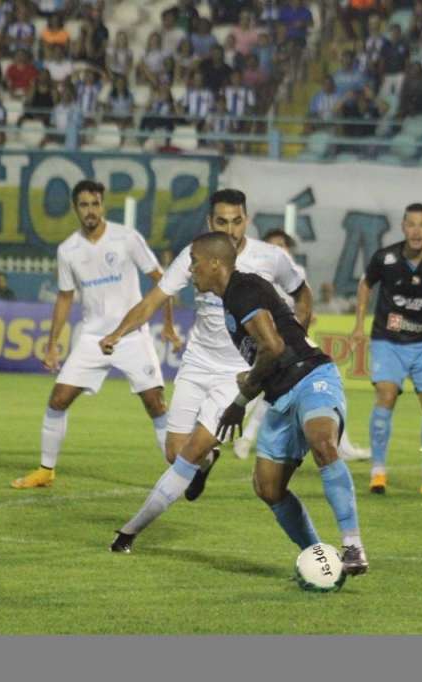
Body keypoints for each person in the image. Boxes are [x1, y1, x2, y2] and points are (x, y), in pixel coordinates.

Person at [110, 232, 369, 577]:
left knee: (322, 440)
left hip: (311, 379)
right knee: (268, 487)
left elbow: (274, 348)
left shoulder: (242, 290)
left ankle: (353, 546)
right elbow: (267, 347)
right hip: (279, 396)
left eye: (195, 262)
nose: (191, 270)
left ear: (215, 263)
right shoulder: (232, 298)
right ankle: (319, 558)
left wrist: (242, 397)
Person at [97, 189, 312, 506]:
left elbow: (303, 296)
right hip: (198, 361)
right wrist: (117, 333)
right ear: (210, 221)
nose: (230, 230)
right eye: (222, 222)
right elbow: (152, 301)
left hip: (240, 370)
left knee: (194, 447)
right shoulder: (194, 254)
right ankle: (206, 462)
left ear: (246, 220)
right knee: (175, 453)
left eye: (237, 221)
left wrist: (295, 338)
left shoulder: (271, 257)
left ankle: (146, 515)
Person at [10, 180, 177, 489]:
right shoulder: (68, 250)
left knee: (156, 403)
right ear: (76, 209)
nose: (90, 210)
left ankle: (181, 474)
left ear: (103, 206)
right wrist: (52, 346)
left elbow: (161, 280)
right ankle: (46, 470)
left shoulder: (127, 239)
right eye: (84, 205)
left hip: (131, 335)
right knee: (58, 400)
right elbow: (64, 298)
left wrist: (167, 323)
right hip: (92, 338)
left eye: (95, 204)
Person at [351, 203, 422, 498]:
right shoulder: (385, 258)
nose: (416, 230)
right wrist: (360, 321)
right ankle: (378, 472)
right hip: (388, 340)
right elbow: (365, 285)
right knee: (386, 393)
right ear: (403, 227)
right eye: (411, 224)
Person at [233, 229, 371, 462]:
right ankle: (241, 436)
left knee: (279, 388)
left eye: (283, 245)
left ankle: (245, 438)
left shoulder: (295, 273)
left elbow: (302, 303)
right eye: (274, 245)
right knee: (268, 388)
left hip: (288, 341)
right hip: (263, 341)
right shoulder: (256, 274)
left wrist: (301, 325)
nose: (279, 249)